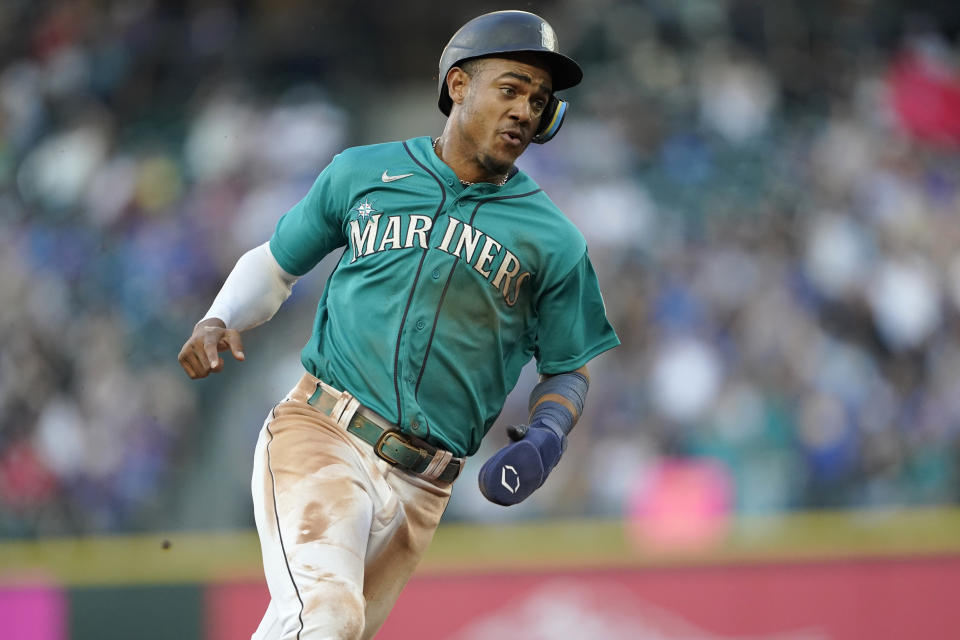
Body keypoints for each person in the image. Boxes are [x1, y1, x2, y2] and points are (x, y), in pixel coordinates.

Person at [177, 10, 619, 640]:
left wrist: (545, 437)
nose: (526, 109)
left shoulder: (554, 240)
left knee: (314, 627)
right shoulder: (362, 172)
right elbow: (276, 265)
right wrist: (220, 315)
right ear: (460, 85)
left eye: (540, 100)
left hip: (424, 488)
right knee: (327, 615)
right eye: (512, 88)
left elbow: (568, 366)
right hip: (323, 431)